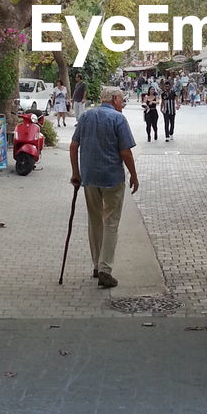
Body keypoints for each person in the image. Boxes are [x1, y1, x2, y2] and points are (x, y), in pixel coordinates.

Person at [70, 85, 139, 288]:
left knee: (95, 221)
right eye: (122, 100)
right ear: (115, 99)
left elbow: (74, 146)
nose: (123, 104)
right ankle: (105, 269)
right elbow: (125, 152)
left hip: (90, 178)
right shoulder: (118, 119)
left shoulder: (86, 117)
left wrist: (76, 173)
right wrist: (134, 175)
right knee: (111, 223)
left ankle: (96, 265)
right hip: (112, 178)